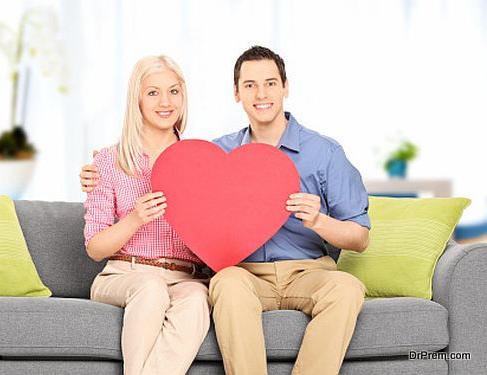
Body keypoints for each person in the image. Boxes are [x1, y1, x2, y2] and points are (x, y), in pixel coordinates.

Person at [81, 46, 370, 375]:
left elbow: (360, 237)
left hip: (305, 272)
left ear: (286, 87)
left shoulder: (324, 152)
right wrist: (96, 171)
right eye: (249, 85)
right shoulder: (215, 154)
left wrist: (319, 221)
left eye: (271, 83)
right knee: (223, 284)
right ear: (237, 93)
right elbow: (173, 170)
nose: (261, 94)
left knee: (346, 287)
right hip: (240, 274)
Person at [83, 55, 210, 375]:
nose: (165, 102)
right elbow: (95, 248)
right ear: (137, 99)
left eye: (174, 91)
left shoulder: (200, 161)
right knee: (151, 287)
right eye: (153, 92)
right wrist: (135, 218)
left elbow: (214, 237)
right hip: (123, 275)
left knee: (197, 298)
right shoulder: (109, 162)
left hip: (185, 277)